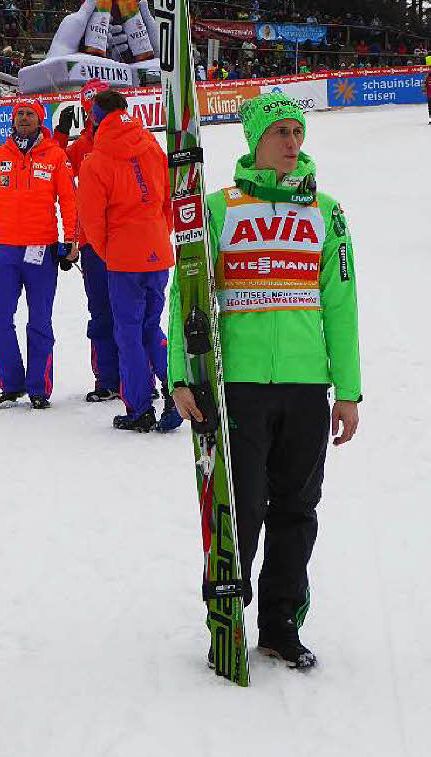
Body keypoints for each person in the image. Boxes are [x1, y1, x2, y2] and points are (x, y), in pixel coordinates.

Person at [167, 92, 362, 669]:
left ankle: (279, 624)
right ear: (255, 140)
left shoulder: (327, 212)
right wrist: (183, 376)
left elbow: (342, 306)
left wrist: (347, 391)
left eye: (297, 131)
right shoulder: (218, 208)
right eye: (280, 131)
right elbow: (186, 297)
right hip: (240, 387)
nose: (292, 141)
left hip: (306, 388)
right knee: (241, 508)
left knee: (297, 510)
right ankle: (226, 619)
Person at [76, 89, 182, 432]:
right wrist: (156, 236)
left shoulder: (96, 159)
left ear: (96, 116)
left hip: (124, 258)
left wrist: (112, 252)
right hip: (157, 252)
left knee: (128, 333)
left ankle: (139, 407)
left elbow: (92, 221)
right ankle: (176, 390)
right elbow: (168, 201)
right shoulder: (152, 145)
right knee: (152, 326)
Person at [0, 97, 78, 409]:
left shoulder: (55, 156)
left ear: (40, 119)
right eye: (19, 114)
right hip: (4, 249)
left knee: (40, 319)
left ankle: (38, 387)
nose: (23, 118)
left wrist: (71, 238)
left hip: (41, 250)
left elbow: (69, 200)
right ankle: (10, 383)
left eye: (29, 114)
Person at [54, 79, 121, 402]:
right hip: (96, 243)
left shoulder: (133, 140)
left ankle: (138, 377)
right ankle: (110, 379)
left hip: (124, 240)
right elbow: (55, 168)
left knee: (130, 313)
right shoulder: (82, 146)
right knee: (104, 312)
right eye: (92, 109)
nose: (97, 115)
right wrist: (60, 135)